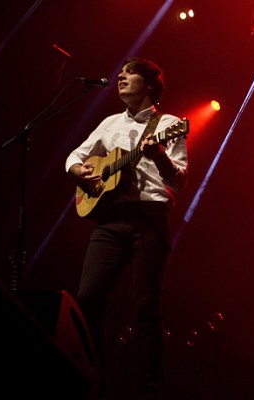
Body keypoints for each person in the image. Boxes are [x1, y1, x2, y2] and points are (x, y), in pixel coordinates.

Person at [65, 57, 188, 400]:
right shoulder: (109, 124)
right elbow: (74, 156)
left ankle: (152, 389)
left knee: (145, 307)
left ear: (149, 84)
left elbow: (178, 182)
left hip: (149, 218)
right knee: (87, 298)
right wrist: (79, 172)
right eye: (120, 73)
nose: (120, 78)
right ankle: (94, 378)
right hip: (111, 219)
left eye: (129, 74)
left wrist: (160, 155)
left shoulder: (171, 124)